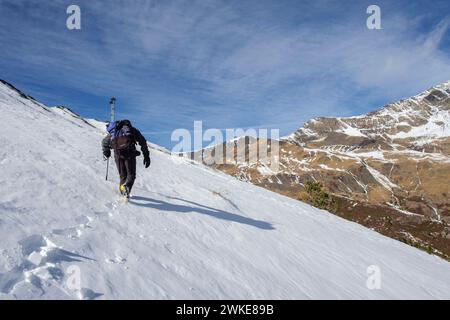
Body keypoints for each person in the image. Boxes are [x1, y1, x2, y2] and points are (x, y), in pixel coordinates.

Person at [102, 119, 151, 197]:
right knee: (131, 175)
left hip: (118, 154)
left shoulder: (114, 131)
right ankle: (126, 188)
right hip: (129, 154)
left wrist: (106, 152)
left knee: (123, 175)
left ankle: (123, 193)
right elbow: (143, 142)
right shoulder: (132, 130)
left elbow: (104, 142)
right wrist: (146, 156)